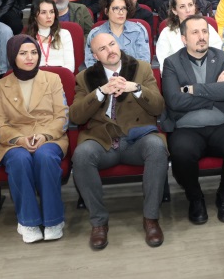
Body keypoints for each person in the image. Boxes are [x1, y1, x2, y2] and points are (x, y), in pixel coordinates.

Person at [70, 33, 167, 250]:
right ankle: (98, 223)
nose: (110, 50)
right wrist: (100, 92)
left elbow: (158, 107)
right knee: (82, 155)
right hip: (102, 141)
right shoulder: (85, 78)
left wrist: (137, 89)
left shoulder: (141, 68)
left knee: (157, 147)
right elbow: (76, 117)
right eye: (102, 49)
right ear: (95, 56)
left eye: (112, 44)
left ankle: (151, 219)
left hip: (136, 139)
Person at [160, 14, 224, 224]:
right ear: (184, 39)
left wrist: (191, 89)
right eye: (195, 32)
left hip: (222, 124)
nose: (201, 37)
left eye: (204, 31)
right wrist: (213, 91)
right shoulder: (172, 63)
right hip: (186, 127)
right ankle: (195, 198)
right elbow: (174, 101)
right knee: (181, 152)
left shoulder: (223, 58)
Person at [0, 35, 69, 243]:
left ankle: (53, 220)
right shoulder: (0, 86)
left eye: (34, 52)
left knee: (45, 157)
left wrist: (44, 135)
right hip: (15, 139)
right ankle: (28, 221)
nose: (30, 57)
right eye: (23, 53)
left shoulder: (52, 79)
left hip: (49, 136)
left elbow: (62, 116)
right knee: (19, 159)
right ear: (12, 56)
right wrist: (19, 140)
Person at [156, 0, 222, 72]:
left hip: (208, 73)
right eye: (182, 7)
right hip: (178, 76)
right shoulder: (167, 33)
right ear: (174, 10)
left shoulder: (207, 28)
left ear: (195, 7)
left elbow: (218, 53)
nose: (188, 10)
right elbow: (164, 64)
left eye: (190, 5)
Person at [84, 0, 150, 67]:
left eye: (124, 8)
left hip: (134, 73)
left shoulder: (138, 30)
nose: (121, 12)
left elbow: (144, 62)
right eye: (116, 8)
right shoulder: (95, 34)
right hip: (104, 74)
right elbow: (91, 64)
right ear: (106, 11)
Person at [26, 0, 75, 72]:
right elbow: (26, 68)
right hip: (37, 76)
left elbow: (70, 67)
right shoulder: (27, 38)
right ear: (35, 16)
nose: (49, 16)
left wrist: (53, 77)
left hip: (60, 76)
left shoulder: (64, 34)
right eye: (43, 12)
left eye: (51, 12)